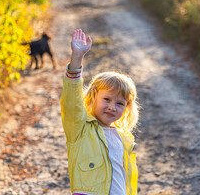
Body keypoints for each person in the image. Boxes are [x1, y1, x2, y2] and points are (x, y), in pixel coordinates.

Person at [60, 29, 140, 195]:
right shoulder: (80, 129)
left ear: (126, 108)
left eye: (119, 103)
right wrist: (77, 57)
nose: (112, 107)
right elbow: (71, 102)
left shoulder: (123, 139)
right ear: (93, 97)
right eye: (107, 99)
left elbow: (124, 179)